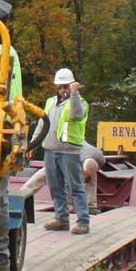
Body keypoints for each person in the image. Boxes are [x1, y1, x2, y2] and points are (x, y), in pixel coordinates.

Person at [39, 68, 91, 235]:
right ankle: (61, 219)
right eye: (60, 87)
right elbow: (42, 124)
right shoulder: (50, 102)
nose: (63, 90)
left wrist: (75, 94)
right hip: (50, 149)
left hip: (69, 150)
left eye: (66, 87)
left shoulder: (79, 102)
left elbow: (76, 115)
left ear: (72, 85)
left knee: (75, 186)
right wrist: (32, 144)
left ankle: (83, 222)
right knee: (55, 186)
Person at [16, 142, 105, 214]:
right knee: (41, 177)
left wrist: (86, 176)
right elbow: (66, 182)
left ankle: (90, 206)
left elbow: (91, 169)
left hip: (77, 152)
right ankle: (20, 195)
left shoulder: (100, 158)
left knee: (91, 177)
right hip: (60, 156)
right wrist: (69, 204)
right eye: (83, 174)